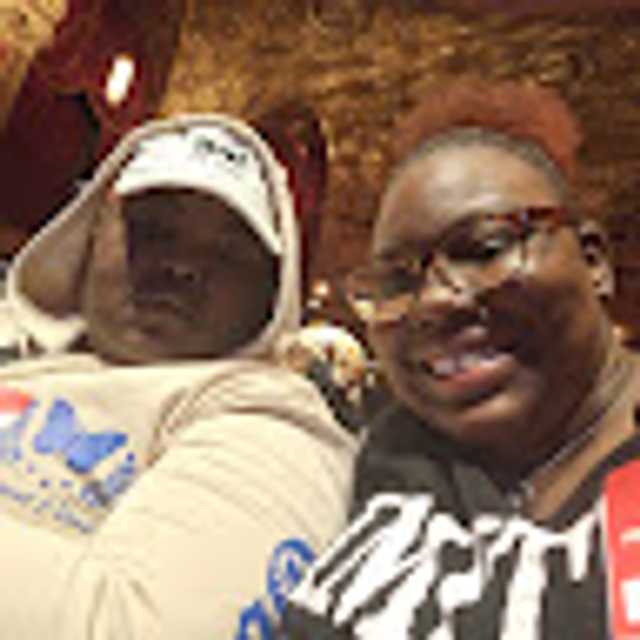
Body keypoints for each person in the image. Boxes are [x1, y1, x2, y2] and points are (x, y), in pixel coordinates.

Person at [279, 77, 640, 639]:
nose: (435, 301)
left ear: (593, 261)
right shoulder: (393, 455)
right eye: (397, 281)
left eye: (484, 249)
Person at [0, 113, 357, 639]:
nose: (181, 266)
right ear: (91, 233)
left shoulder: (273, 423)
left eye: (228, 251)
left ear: (269, 292)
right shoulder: (20, 346)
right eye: (153, 230)